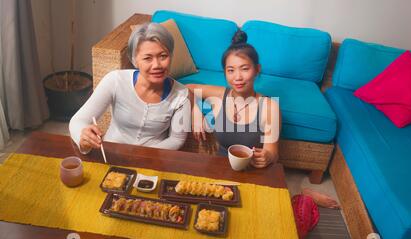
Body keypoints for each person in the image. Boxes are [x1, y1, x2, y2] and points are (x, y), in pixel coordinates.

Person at [69, 22, 191, 154]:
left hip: (155, 159)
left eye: (163, 56)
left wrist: (144, 155)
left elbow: (177, 139)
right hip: (112, 154)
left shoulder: (181, 95)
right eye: (147, 58)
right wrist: (83, 137)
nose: (157, 65)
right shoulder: (115, 80)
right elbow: (78, 120)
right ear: (134, 60)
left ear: (171, 57)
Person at [187, 30, 281, 168]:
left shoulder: (270, 107)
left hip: (253, 171)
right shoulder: (220, 95)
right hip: (219, 167)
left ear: (257, 69)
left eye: (244, 69)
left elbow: (273, 153)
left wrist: (268, 156)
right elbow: (187, 88)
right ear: (225, 72)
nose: (237, 77)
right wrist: (196, 111)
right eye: (231, 70)